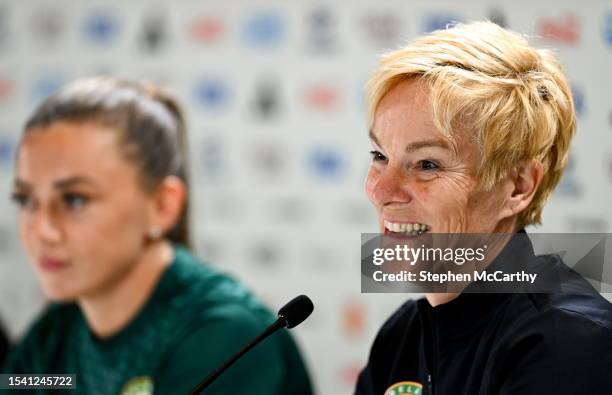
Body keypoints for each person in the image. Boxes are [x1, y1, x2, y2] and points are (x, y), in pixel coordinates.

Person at [2, 77, 313, 395]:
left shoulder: (223, 337)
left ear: (163, 205)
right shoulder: (59, 328)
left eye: (75, 199)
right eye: (26, 200)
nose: (42, 230)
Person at [355, 22, 612, 394]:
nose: (380, 190)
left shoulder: (567, 344)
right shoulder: (402, 335)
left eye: (427, 164)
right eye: (380, 156)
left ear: (519, 187)